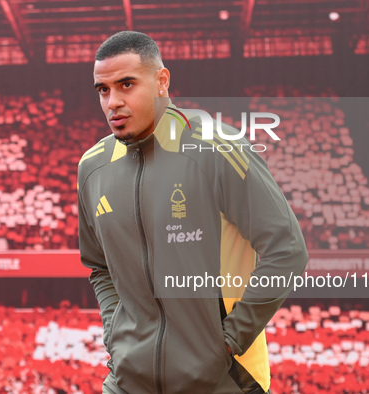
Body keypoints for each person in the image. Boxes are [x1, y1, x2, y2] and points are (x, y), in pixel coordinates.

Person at [77, 31, 308, 393]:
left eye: (126, 85)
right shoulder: (91, 168)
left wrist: (229, 341)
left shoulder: (218, 148)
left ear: (161, 82)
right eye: (103, 90)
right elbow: (98, 265)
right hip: (127, 379)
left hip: (221, 378)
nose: (113, 102)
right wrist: (115, 332)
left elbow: (287, 249)